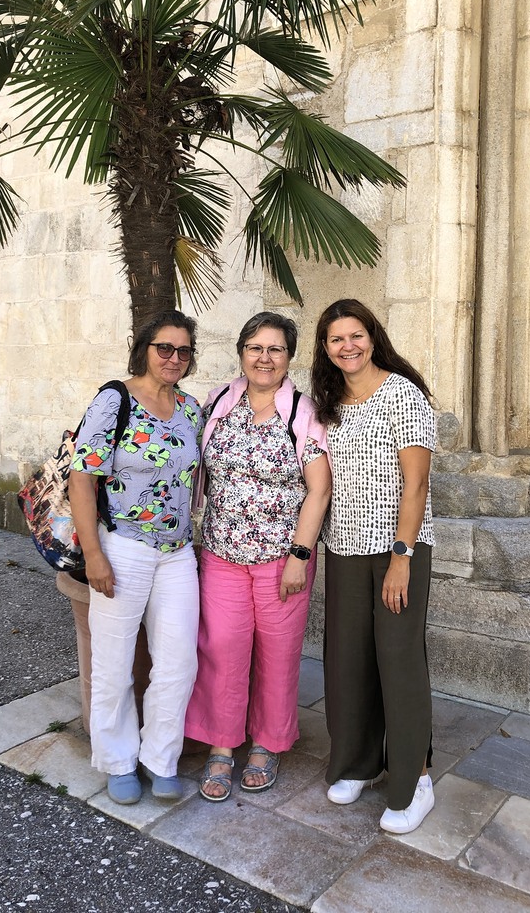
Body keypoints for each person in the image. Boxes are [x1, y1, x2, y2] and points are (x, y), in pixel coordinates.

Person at [184, 312, 332, 801]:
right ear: (242, 353)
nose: (264, 358)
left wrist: (300, 555)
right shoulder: (218, 403)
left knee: (277, 653)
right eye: (255, 348)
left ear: (289, 357)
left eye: (275, 349)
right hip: (222, 552)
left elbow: (319, 489)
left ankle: (267, 744)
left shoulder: (303, 413)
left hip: (282, 558)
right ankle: (222, 745)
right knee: (222, 648)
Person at [311, 299, 436, 834]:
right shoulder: (329, 402)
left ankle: (415, 781)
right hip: (344, 548)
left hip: (397, 550)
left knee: (398, 661)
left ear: (372, 336)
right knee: (348, 661)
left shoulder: (402, 393)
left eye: (356, 335)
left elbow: (417, 484)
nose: (348, 346)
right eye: (336, 339)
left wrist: (401, 559)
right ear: (325, 348)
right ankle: (358, 764)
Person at [68, 310, 202, 805]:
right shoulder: (114, 400)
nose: (173, 357)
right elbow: (82, 478)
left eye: (183, 350)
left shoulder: (191, 409)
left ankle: (160, 759)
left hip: (177, 553)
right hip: (123, 546)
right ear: (144, 348)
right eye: (164, 347)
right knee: (113, 662)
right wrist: (94, 554)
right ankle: (118, 760)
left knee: (179, 662)